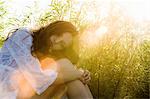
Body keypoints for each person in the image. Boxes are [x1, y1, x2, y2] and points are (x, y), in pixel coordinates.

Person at [0, 20, 93, 99]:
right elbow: (37, 79)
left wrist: (79, 74)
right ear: (54, 28)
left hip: (24, 93)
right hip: (7, 94)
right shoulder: (23, 36)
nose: (56, 41)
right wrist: (78, 74)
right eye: (58, 34)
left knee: (70, 76)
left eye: (62, 44)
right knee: (67, 69)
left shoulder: (47, 57)